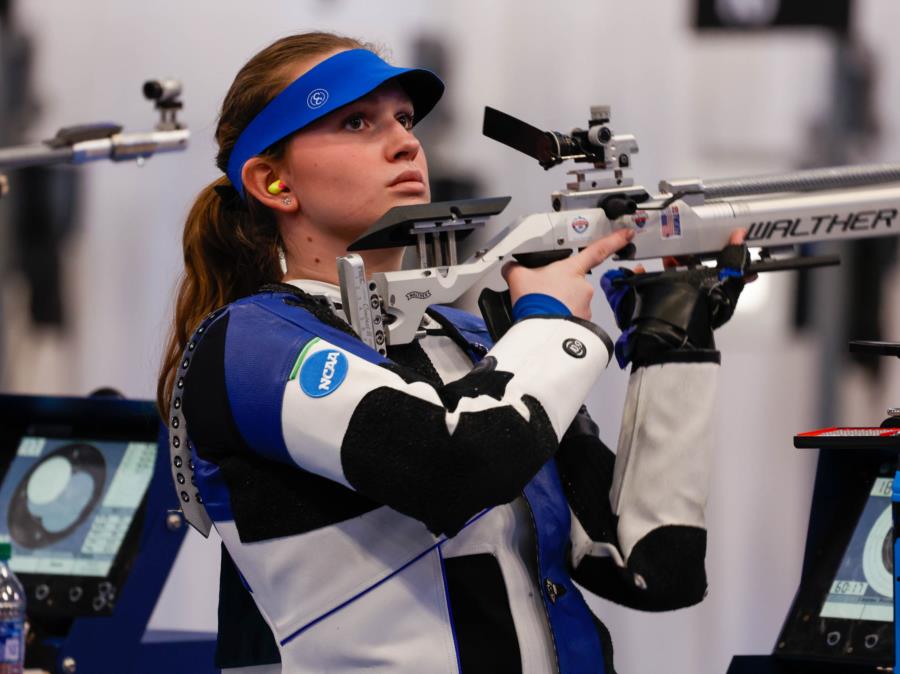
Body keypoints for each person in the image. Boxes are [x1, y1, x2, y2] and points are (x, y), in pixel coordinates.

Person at [159, 32, 748, 674]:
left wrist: (671, 338)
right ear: (272, 181)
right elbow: (456, 468)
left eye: (405, 120)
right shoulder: (248, 344)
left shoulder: (471, 344)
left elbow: (656, 568)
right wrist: (549, 323)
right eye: (356, 121)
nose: (406, 143)